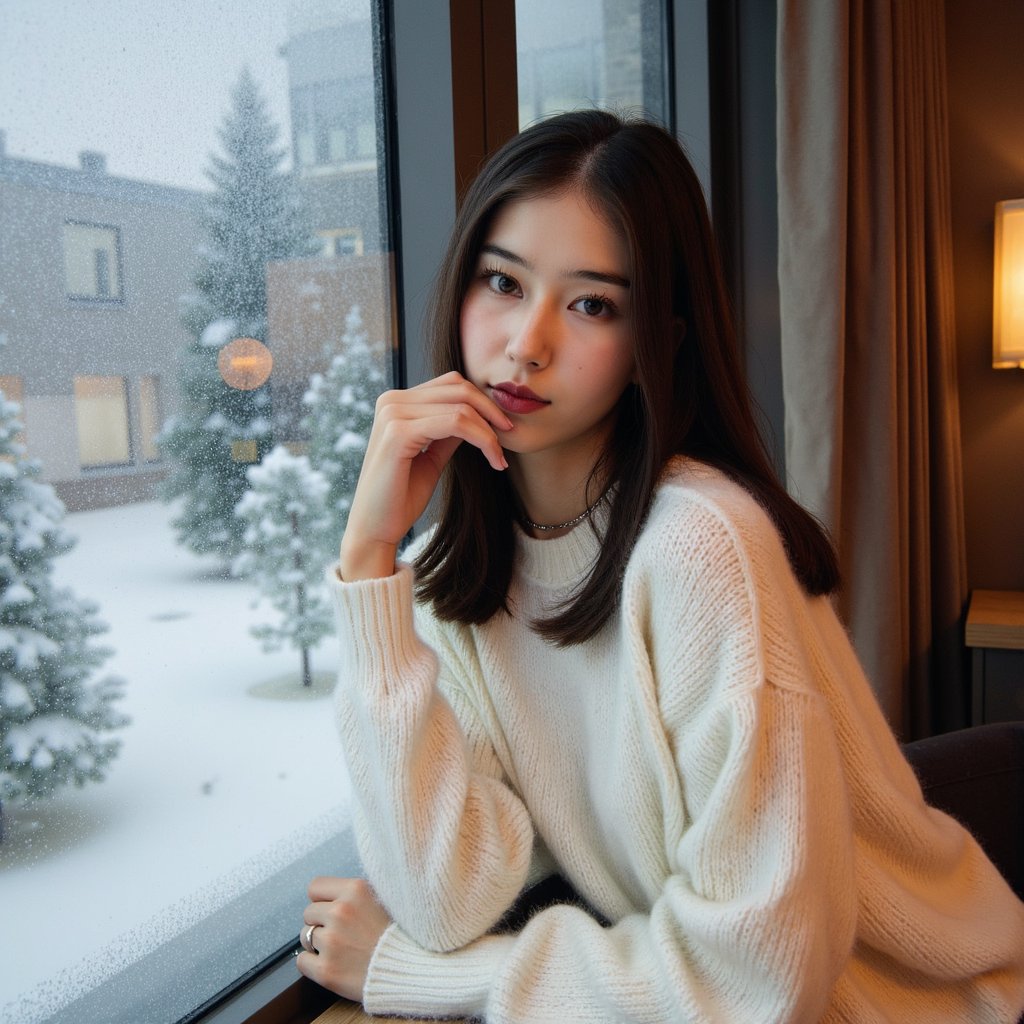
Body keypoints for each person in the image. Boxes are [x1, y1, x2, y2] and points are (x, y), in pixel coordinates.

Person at [295, 110, 1024, 1022]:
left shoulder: (699, 548)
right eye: (503, 281)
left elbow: (756, 979)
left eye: (592, 303)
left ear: (657, 341)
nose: (528, 343)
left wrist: (426, 976)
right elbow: (443, 899)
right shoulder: (471, 576)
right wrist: (369, 569)